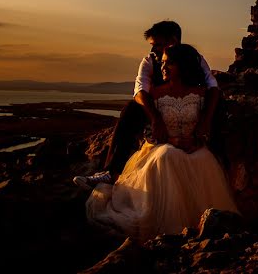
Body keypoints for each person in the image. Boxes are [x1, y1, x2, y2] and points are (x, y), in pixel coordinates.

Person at [84, 43, 239, 241]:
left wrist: (198, 141)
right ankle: (169, 225)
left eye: (169, 63)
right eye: (162, 63)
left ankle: (200, 221)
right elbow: (152, 132)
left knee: (204, 157)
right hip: (161, 147)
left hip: (193, 146)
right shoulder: (155, 94)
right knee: (168, 156)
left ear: (184, 66)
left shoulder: (201, 94)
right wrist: (172, 140)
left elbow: (205, 126)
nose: (163, 68)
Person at [74, 20, 222, 189]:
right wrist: (155, 117)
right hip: (158, 108)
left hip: (192, 110)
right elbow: (140, 91)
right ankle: (111, 171)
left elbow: (213, 87)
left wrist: (206, 120)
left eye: (157, 44)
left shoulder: (195, 59)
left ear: (173, 40)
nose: (152, 49)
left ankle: (220, 156)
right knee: (130, 109)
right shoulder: (149, 61)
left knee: (219, 104)